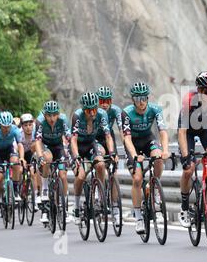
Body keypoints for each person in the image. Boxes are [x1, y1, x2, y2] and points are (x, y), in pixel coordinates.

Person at [177, 71, 207, 228]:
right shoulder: (188, 100)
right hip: (188, 131)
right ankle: (184, 206)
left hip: (206, 127)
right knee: (189, 169)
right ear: (199, 90)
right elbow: (182, 132)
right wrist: (185, 157)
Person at [122, 82, 169, 233]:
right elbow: (127, 139)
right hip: (133, 144)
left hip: (148, 139)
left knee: (158, 157)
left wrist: (165, 150)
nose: (141, 102)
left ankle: (154, 188)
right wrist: (135, 156)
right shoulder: (127, 112)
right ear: (133, 100)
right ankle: (138, 217)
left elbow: (162, 132)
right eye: (137, 98)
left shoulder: (155, 109)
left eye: (143, 98)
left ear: (147, 98)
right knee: (137, 179)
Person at [70, 92, 115, 225]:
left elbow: (108, 136)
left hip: (91, 144)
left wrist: (111, 152)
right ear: (84, 110)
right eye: (89, 110)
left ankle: (100, 198)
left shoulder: (101, 114)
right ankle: (76, 207)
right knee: (81, 176)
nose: (92, 113)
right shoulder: (77, 116)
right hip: (77, 146)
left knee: (101, 164)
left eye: (94, 109)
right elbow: (73, 139)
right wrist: (76, 156)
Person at [35, 101, 71, 223]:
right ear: (44, 115)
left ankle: (64, 205)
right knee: (47, 159)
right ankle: (45, 188)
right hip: (46, 146)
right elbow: (38, 141)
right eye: (49, 115)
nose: (52, 118)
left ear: (58, 114)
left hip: (58, 147)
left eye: (54, 115)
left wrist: (72, 153)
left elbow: (69, 137)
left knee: (63, 175)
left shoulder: (63, 120)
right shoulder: (40, 121)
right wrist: (40, 156)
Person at [0, 111, 26, 218]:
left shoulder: (14, 129)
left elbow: (20, 145)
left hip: (9, 150)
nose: (6, 129)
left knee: (16, 161)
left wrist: (22, 157)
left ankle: (15, 190)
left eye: (8, 126)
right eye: (4, 127)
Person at [96, 86, 124, 155]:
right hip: (95, 136)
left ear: (111, 101)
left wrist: (126, 143)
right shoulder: (93, 111)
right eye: (101, 101)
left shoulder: (116, 110)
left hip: (109, 135)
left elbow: (121, 129)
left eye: (107, 101)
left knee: (114, 158)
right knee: (99, 158)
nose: (105, 104)